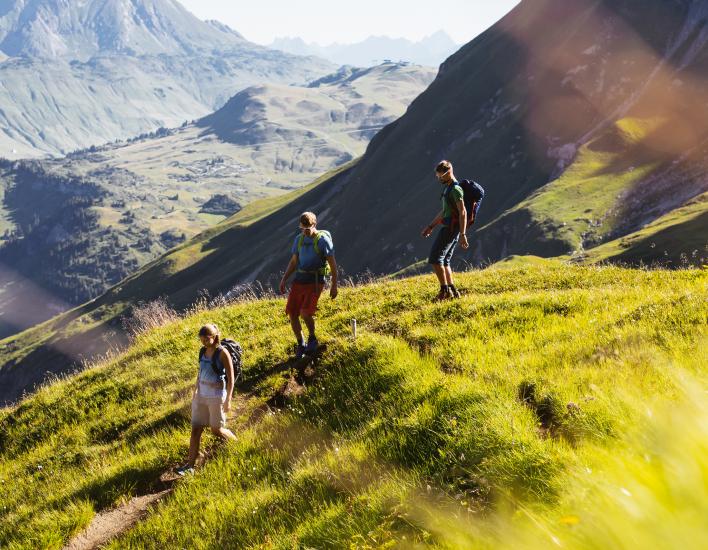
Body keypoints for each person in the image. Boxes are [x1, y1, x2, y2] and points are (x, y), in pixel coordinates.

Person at [176, 324, 237, 476]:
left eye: (206, 339)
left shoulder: (223, 353)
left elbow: (231, 378)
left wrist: (228, 399)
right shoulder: (202, 351)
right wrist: (196, 390)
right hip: (202, 396)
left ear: (215, 336)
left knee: (216, 430)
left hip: (216, 397)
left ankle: (236, 443)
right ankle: (190, 465)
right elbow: (200, 372)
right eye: (201, 339)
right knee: (196, 429)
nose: (203, 342)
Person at [279, 212, 338, 359]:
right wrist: (284, 279)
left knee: (305, 313)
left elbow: (333, 264)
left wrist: (334, 285)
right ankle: (301, 343)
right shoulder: (299, 240)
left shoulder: (323, 241)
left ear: (314, 224)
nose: (305, 231)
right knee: (292, 313)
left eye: (308, 228)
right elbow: (293, 262)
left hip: (315, 281)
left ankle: (312, 338)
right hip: (300, 279)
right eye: (302, 228)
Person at [421, 160, 471, 300]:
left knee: (435, 259)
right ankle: (453, 291)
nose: (439, 179)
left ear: (448, 173)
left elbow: (463, 212)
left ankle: (444, 292)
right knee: (445, 261)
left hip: (451, 229)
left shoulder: (455, 189)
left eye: (440, 176)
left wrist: (463, 234)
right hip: (450, 227)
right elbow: (444, 212)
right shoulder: (448, 189)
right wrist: (430, 226)